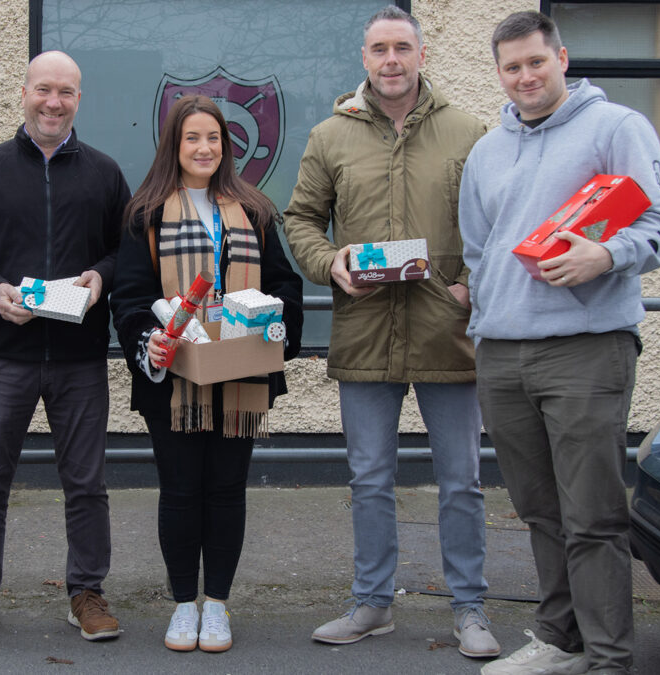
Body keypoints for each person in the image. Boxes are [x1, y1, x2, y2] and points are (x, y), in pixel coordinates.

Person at [460, 11, 660, 675]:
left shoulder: (615, 127)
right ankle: (561, 639)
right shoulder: (487, 150)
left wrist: (606, 254)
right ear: (499, 73)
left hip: (585, 349)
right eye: (512, 66)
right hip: (501, 353)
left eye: (536, 61)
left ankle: (610, 656)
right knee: (539, 509)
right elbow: (478, 251)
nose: (526, 76)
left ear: (561, 56)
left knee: (593, 515)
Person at [282, 4, 499, 659]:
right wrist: (330, 263)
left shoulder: (470, 133)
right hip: (365, 330)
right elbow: (299, 221)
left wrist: (477, 284)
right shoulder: (330, 136)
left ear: (421, 54)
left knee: (461, 479)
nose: (391, 60)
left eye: (402, 47)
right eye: (379, 49)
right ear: (365, 58)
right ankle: (372, 601)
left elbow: (501, 222)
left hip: (447, 331)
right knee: (369, 477)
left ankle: (470, 608)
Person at [0, 50, 130, 645]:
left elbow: (128, 252)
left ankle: (86, 591)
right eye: (43, 89)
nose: (53, 102)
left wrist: (101, 275)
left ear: (78, 99)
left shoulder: (103, 172)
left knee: (86, 483)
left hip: (78, 358)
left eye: (65, 92)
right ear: (23, 93)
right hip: (4, 354)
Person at [109, 95, 303, 653]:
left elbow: (285, 286)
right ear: (174, 144)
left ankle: (216, 605)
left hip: (241, 374)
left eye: (214, 138)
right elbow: (129, 298)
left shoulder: (255, 210)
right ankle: (181, 606)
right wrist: (152, 340)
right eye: (192, 138)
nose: (204, 148)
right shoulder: (144, 214)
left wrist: (274, 325)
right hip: (173, 381)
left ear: (227, 145)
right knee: (180, 490)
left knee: (225, 490)